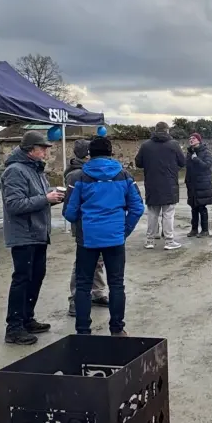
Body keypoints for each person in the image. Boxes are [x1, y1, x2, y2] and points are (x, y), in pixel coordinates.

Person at [63, 136, 144, 335]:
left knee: (83, 285)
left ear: (89, 154)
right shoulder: (124, 175)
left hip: (87, 239)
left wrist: (85, 223)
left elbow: (69, 212)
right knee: (116, 284)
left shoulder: (78, 177)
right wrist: (124, 230)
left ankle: (83, 332)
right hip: (115, 238)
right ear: (111, 153)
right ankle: (117, 329)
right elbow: (137, 208)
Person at [2, 131, 64, 345]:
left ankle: (27, 318)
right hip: (23, 234)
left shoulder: (36, 170)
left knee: (36, 276)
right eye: (42, 148)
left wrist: (53, 198)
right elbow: (14, 204)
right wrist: (45, 198)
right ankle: (14, 327)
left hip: (38, 232)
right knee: (22, 279)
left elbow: (37, 198)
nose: (46, 151)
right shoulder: (15, 171)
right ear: (31, 150)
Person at [65, 140, 109, 316]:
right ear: (87, 155)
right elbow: (71, 205)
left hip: (97, 224)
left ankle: (97, 292)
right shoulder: (75, 174)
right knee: (82, 264)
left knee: (98, 260)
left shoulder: (88, 170)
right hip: (84, 225)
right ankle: (75, 299)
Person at [136, 122, 186, 245]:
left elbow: (138, 163)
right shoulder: (174, 144)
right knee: (168, 213)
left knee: (152, 213)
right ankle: (169, 240)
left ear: (155, 130)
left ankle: (150, 241)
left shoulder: (146, 145)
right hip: (169, 183)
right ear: (167, 130)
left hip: (152, 183)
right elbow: (182, 162)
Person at [185, 133, 212, 237]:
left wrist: (196, 159)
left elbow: (207, 165)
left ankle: (205, 230)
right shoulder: (189, 153)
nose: (191, 140)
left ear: (198, 140)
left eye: (193, 138)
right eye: (190, 138)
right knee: (193, 207)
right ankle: (194, 229)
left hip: (203, 184)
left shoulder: (206, 152)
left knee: (202, 207)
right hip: (192, 184)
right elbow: (187, 166)